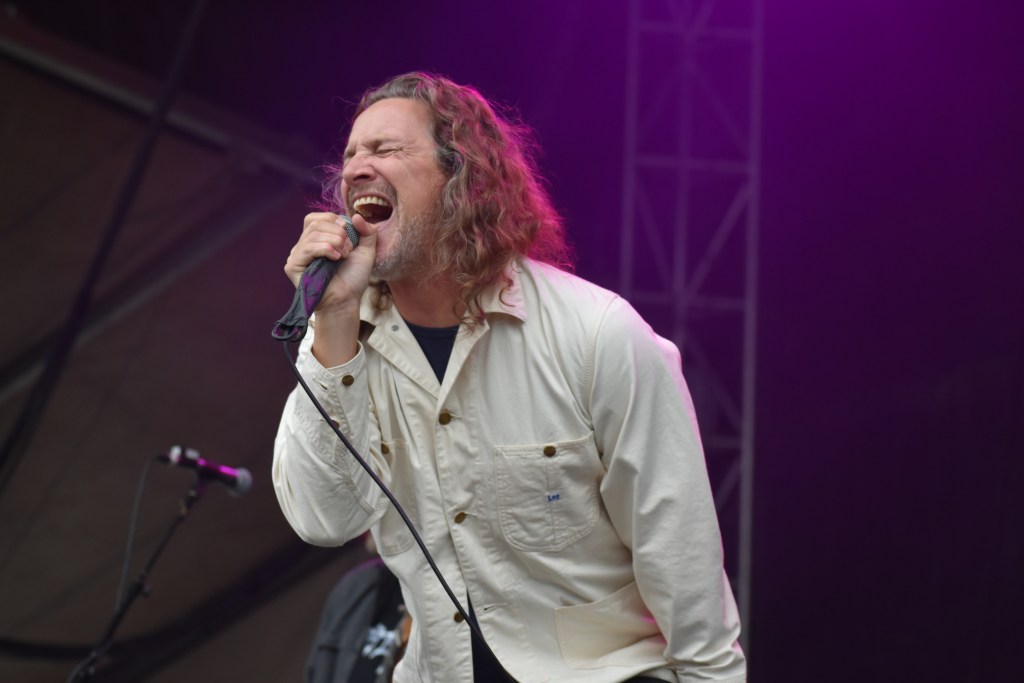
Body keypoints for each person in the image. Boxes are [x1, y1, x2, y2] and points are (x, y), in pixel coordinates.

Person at [273, 71, 745, 683]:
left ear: (460, 176)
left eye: (386, 150)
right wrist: (332, 324)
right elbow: (322, 520)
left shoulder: (596, 333)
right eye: (350, 155)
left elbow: (681, 556)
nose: (355, 169)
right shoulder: (342, 343)